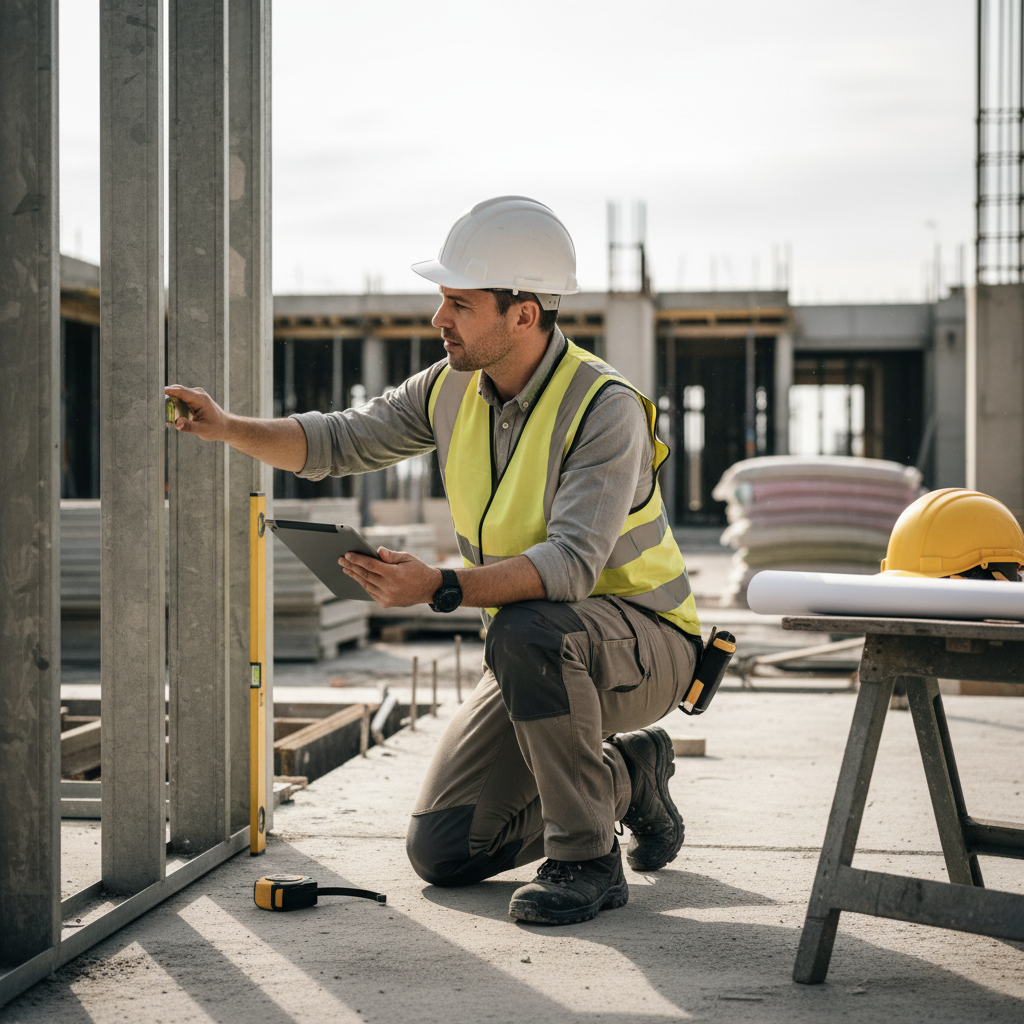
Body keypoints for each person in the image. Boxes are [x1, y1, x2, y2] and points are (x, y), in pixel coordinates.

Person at [165, 196, 704, 925]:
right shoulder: (450, 386)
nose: (437, 318)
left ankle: (585, 860)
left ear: (524, 314)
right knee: (448, 850)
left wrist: (438, 585)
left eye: (459, 303)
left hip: (647, 645)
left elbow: (571, 566)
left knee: (528, 630)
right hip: (538, 649)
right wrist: (228, 427)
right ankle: (631, 775)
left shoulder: (604, 407)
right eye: (442, 299)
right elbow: (340, 440)